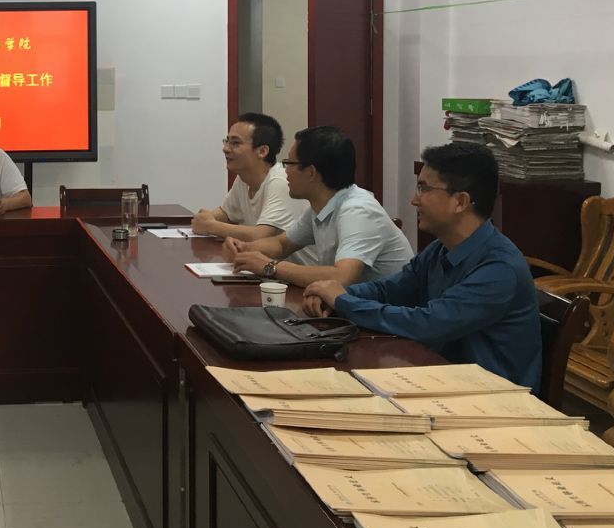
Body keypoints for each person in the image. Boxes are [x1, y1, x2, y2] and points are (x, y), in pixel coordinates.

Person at [302, 142, 542, 391]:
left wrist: (344, 301)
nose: (414, 200)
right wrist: (333, 295)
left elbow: (428, 324)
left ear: (460, 202)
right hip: (443, 378)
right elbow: (389, 290)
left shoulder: (499, 267)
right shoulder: (441, 249)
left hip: (494, 398)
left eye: (424, 189)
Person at [225, 125, 409, 288]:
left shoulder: (358, 211)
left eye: (289, 164)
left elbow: (341, 277)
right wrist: (245, 248)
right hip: (353, 305)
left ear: (311, 172)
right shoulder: (322, 205)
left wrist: (270, 267)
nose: (285, 171)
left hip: (387, 312)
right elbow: (282, 244)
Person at [190, 113, 316, 263]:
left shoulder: (281, 182)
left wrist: (211, 225)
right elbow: (226, 214)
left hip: (299, 273)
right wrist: (206, 218)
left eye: (235, 143)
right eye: (226, 141)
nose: (225, 149)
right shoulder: (243, 178)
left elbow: (260, 236)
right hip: (265, 269)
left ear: (262, 151)